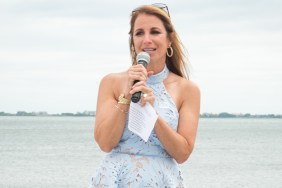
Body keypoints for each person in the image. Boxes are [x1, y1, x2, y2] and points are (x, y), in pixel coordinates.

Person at [90, 3, 200, 187]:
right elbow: (105, 144)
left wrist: (151, 113)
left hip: (162, 180)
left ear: (169, 40)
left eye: (155, 32)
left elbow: (182, 154)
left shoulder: (187, 89)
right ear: (133, 40)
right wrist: (126, 96)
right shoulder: (111, 82)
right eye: (139, 33)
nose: (146, 39)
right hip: (114, 179)